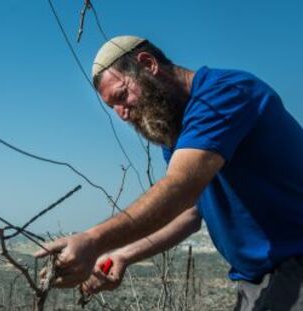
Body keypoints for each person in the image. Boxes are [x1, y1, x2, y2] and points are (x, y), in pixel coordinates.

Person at [35, 36, 303, 310]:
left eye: (121, 96)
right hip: (255, 279)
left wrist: (93, 240)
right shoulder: (178, 133)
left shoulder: (224, 95)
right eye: (112, 107)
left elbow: (180, 187)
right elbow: (190, 213)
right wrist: (123, 255)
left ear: (148, 64)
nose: (122, 114)